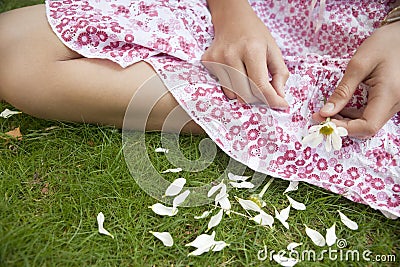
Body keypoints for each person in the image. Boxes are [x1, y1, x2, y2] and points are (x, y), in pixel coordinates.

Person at [0, 0, 399, 217]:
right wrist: (232, 13)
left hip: (371, 46)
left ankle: (238, 115)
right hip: (271, 9)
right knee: (14, 43)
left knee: (18, 64)